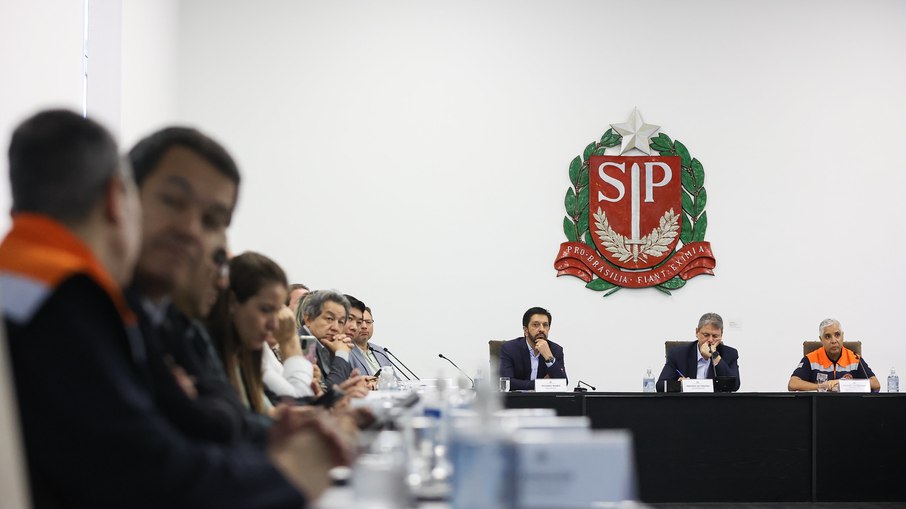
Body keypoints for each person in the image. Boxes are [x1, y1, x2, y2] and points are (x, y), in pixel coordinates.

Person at [0, 110, 342, 507]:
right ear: (120, 196)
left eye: (213, 220)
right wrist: (293, 471)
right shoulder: (67, 294)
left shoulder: (27, 276)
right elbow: (145, 472)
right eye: (172, 200)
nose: (191, 231)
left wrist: (269, 437)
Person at [788, 318, 880, 392]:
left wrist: (841, 384)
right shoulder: (811, 358)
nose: (833, 341)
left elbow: (876, 385)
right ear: (821, 339)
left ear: (843, 336)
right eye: (828, 336)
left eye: (837, 335)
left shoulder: (854, 359)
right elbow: (793, 384)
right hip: (820, 408)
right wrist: (823, 386)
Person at [656, 312, 741, 392]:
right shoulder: (678, 354)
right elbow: (660, 386)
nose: (710, 340)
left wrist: (715, 356)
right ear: (697, 332)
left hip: (716, 404)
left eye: (715, 336)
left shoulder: (730, 354)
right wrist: (680, 385)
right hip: (687, 404)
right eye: (706, 335)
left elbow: (735, 385)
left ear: (721, 335)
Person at [297, 290, 357, 389]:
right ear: (308, 319)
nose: (336, 328)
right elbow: (327, 393)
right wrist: (341, 354)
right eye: (329, 319)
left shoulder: (327, 344)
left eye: (341, 322)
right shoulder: (303, 343)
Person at [498, 307, 567, 391]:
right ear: (526, 330)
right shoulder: (509, 348)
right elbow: (506, 383)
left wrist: (549, 358)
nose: (542, 329)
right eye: (536, 325)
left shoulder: (556, 350)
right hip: (517, 402)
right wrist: (541, 384)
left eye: (545, 325)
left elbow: (563, 384)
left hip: (544, 402)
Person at [349, 305, 396, 378]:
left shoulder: (380, 351)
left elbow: (395, 380)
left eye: (368, 322)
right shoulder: (345, 351)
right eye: (359, 322)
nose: (364, 326)